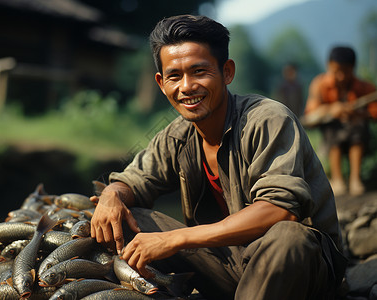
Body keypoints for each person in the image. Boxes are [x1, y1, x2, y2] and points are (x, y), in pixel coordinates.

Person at [90, 15, 347, 299]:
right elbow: (135, 180)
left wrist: (175, 238)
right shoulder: (176, 135)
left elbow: (279, 209)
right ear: (162, 83)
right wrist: (112, 195)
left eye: (199, 71)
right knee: (127, 219)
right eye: (175, 76)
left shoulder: (267, 119)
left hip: (297, 267)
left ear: (227, 72)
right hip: (232, 266)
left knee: (288, 236)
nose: (187, 86)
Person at [304, 46, 377, 196]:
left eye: (346, 71)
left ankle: (355, 178)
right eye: (337, 71)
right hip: (332, 137)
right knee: (332, 128)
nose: (342, 76)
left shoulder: (364, 87)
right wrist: (331, 110)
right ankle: (337, 179)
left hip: (357, 135)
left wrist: (360, 114)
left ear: (353, 68)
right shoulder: (320, 85)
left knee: (358, 127)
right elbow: (310, 116)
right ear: (328, 66)